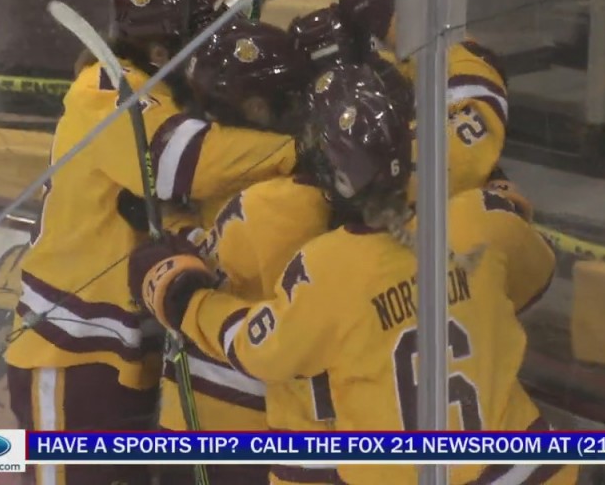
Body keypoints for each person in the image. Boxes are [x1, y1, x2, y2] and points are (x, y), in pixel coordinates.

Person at [130, 68, 577, 484]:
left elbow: (261, 351)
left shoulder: (324, 267)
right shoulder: (481, 220)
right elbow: (534, 278)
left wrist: (184, 298)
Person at [4, 0, 297, 485]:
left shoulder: (162, 93)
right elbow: (183, 161)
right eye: (202, 37)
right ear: (163, 51)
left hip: (132, 354)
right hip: (71, 355)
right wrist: (299, 149)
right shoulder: (106, 89)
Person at [151, 18, 317, 485]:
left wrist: (172, 236)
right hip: (213, 422)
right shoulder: (246, 181)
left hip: (241, 426)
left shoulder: (282, 201)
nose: (207, 120)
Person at [290, 0, 510, 197]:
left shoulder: (287, 157)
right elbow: (480, 101)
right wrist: (415, 30)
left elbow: (395, 67)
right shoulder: (371, 173)